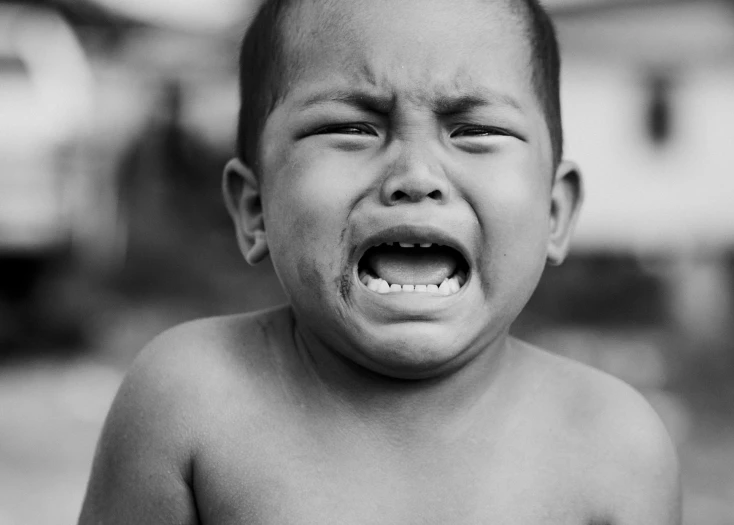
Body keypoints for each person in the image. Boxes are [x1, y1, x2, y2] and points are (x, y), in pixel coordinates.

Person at [78, 0, 681, 523]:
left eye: (474, 129)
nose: (416, 176)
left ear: (555, 210)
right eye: (349, 127)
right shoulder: (190, 402)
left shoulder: (614, 447)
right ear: (255, 206)